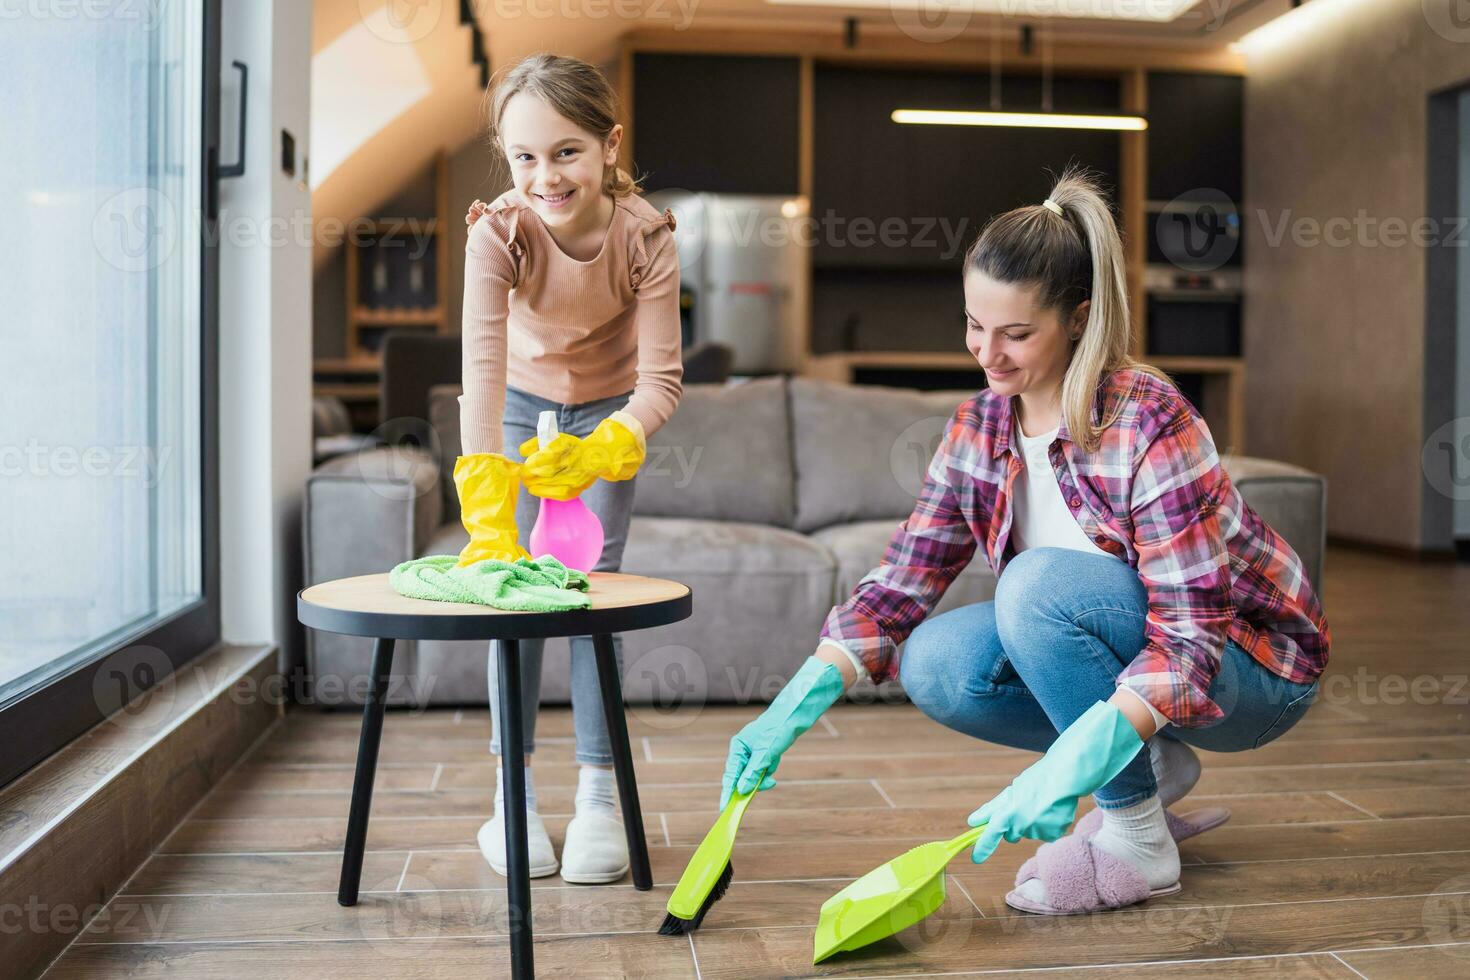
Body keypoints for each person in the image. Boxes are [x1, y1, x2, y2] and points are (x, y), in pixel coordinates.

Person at [721, 167, 1329, 915]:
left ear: (1077, 318)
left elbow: (1192, 633)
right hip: (1159, 666)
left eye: (1016, 333)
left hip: (1253, 668)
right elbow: (902, 583)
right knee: (938, 664)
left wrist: (1076, 754)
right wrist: (795, 700)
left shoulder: (1147, 417)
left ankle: (1139, 835)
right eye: (975, 325)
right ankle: (1142, 766)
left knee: (1037, 586)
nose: (988, 353)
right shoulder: (980, 425)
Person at [455, 53, 681, 884]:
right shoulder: (498, 232)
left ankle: (598, 798)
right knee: (511, 587)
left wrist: (606, 443)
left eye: (566, 152)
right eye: (523, 157)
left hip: (607, 412)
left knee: (592, 593)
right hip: (513, 407)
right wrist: (485, 494)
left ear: (610, 144)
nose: (544, 177)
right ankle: (510, 798)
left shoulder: (645, 236)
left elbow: (661, 381)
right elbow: (481, 370)